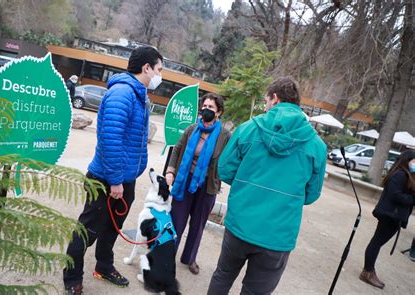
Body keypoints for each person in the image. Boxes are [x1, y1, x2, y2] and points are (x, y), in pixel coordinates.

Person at [207, 77, 327, 295]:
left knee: (223, 276)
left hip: (240, 224)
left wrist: (247, 185)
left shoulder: (247, 129)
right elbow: (311, 195)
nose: (265, 105)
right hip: (278, 235)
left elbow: (224, 170)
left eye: (266, 100)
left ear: (275, 98)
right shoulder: (316, 145)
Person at [63, 46, 163, 295]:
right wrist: (116, 181)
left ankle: (103, 266)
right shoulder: (122, 93)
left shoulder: (139, 94)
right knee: (88, 230)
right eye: (159, 70)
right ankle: (72, 278)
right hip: (106, 179)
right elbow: (110, 139)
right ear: (146, 68)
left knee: (111, 228)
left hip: (123, 179)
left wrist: (125, 179)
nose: (160, 76)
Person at [165, 93, 231, 275]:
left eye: (211, 108)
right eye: (205, 106)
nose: (206, 110)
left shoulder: (225, 136)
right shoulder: (192, 129)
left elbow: (229, 161)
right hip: (184, 182)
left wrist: (220, 177)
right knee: (176, 221)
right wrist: (171, 170)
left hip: (207, 186)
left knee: (198, 224)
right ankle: (167, 255)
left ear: (219, 112)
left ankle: (189, 258)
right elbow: (177, 150)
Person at [359, 150, 415, 289]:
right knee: (376, 242)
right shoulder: (400, 175)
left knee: (377, 242)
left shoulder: (405, 174)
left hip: (393, 216)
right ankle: (367, 272)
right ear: (407, 160)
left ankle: (369, 270)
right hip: (389, 215)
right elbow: (395, 195)